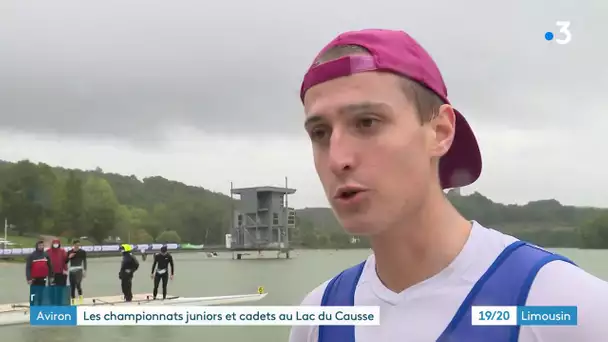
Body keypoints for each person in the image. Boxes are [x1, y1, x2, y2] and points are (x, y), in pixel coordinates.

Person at [289, 29, 608, 342]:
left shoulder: (566, 308)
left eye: (367, 122)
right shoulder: (318, 316)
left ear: (441, 131)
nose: (337, 158)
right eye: (320, 133)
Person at [25, 240, 53, 306]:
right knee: (33, 293)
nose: (41, 247)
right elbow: (28, 268)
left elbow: (50, 266)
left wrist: (51, 276)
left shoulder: (46, 255)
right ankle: (32, 305)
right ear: (37, 246)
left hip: (43, 278)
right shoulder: (31, 256)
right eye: (40, 245)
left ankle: (39, 306)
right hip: (34, 279)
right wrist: (29, 278)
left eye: (42, 245)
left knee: (41, 293)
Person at [47, 239, 68, 305]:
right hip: (51, 274)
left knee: (60, 289)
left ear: (59, 244)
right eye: (54, 243)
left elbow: (65, 260)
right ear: (52, 244)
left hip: (60, 273)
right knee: (51, 288)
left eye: (57, 243)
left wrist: (65, 269)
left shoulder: (62, 251)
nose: (55, 244)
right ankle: (52, 302)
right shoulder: (48, 251)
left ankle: (59, 302)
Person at [66, 239, 87, 305]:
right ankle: (73, 301)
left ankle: (80, 298)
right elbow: (65, 262)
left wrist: (85, 270)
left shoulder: (82, 252)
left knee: (78, 284)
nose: (77, 246)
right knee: (72, 286)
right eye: (76, 245)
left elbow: (84, 261)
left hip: (79, 269)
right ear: (73, 245)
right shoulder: (70, 252)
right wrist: (69, 257)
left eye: (78, 245)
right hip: (72, 270)